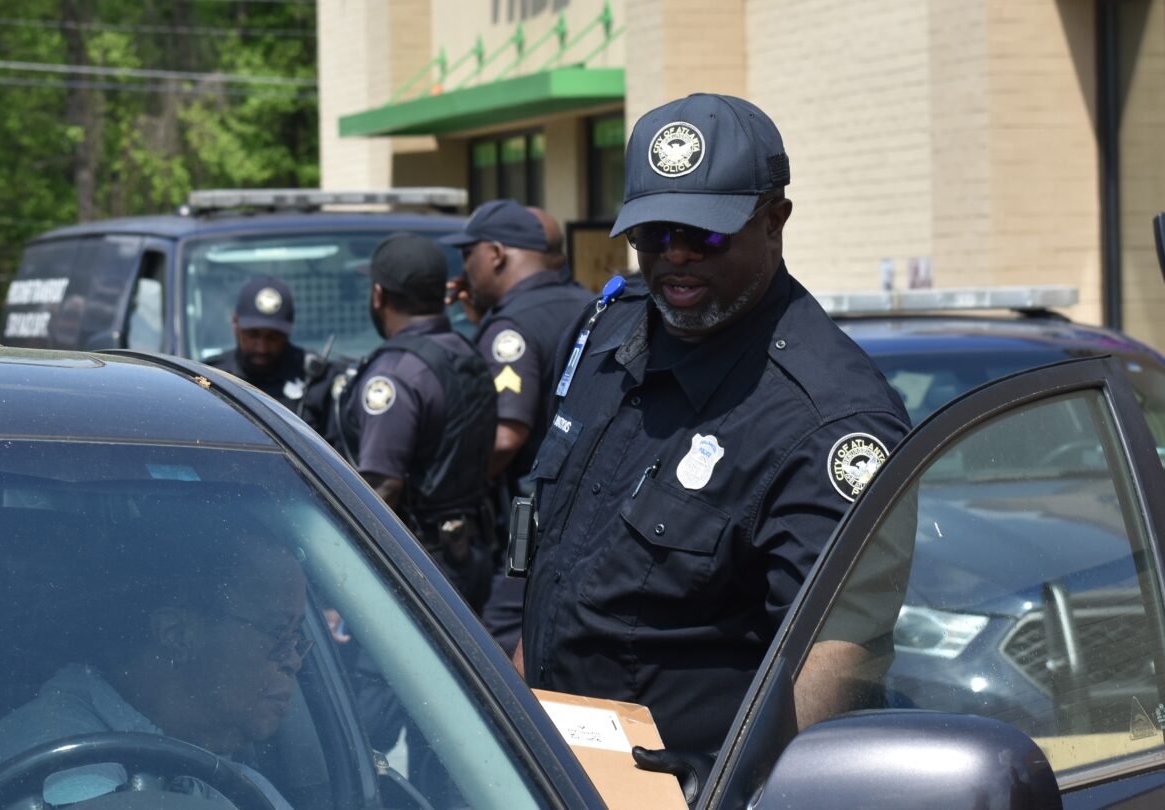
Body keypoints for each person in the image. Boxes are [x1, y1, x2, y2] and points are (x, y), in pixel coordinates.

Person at [517, 93, 912, 787]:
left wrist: (752, 783)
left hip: (685, 791)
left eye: (706, 236)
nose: (674, 257)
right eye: (653, 234)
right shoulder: (615, 334)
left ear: (775, 221)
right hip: (549, 769)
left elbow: (835, 653)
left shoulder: (829, 420)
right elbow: (553, 566)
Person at [0, 520, 303, 808]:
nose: (294, 660)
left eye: (297, 636)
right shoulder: (60, 770)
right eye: (277, 632)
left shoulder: (230, 778)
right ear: (178, 634)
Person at [439, 199, 593, 652]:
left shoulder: (512, 327)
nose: (464, 270)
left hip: (531, 531)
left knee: (493, 654)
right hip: (585, 520)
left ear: (496, 254)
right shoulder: (588, 302)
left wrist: (443, 489)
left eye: (468, 256)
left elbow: (506, 435)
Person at [330, 232, 497, 610]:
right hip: (467, 553)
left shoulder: (394, 373)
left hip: (415, 568)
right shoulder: (464, 351)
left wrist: (338, 574)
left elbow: (380, 488)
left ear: (379, 295)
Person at [205, 277, 340, 434]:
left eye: (273, 337)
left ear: (288, 332)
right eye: (253, 334)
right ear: (235, 323)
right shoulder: (210, 378)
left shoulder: (317, 381)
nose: (262, 347)